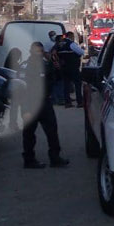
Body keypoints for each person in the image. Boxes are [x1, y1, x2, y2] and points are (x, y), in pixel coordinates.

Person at [19, 41, 69, 169]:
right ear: (30, 52)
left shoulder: (46, 65)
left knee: (52, 131)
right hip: (30, 103)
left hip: (45, 103)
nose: (39, 54)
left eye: (41, 52)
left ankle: (55, 158)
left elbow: (55, 79)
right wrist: (25, 109)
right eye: (36, 52)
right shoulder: (25, 66)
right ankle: (29, 160)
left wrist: (58, 67)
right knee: (29, 134)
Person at [56, 31, 85, 108]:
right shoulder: (71, 44)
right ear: (71, 36)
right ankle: (80, 102)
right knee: (77, 84)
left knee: (66, 85)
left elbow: (56, 54)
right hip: (73, 67)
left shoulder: (59, 45)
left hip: (64, 68)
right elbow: (81, 52)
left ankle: (67, 103)